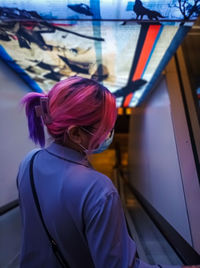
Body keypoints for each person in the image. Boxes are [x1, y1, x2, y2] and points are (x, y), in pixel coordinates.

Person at [16, 76, 191, 268]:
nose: (108, 135)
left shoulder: (28, 162)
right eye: (105, 128)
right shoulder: (99, 190)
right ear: (75, 134)